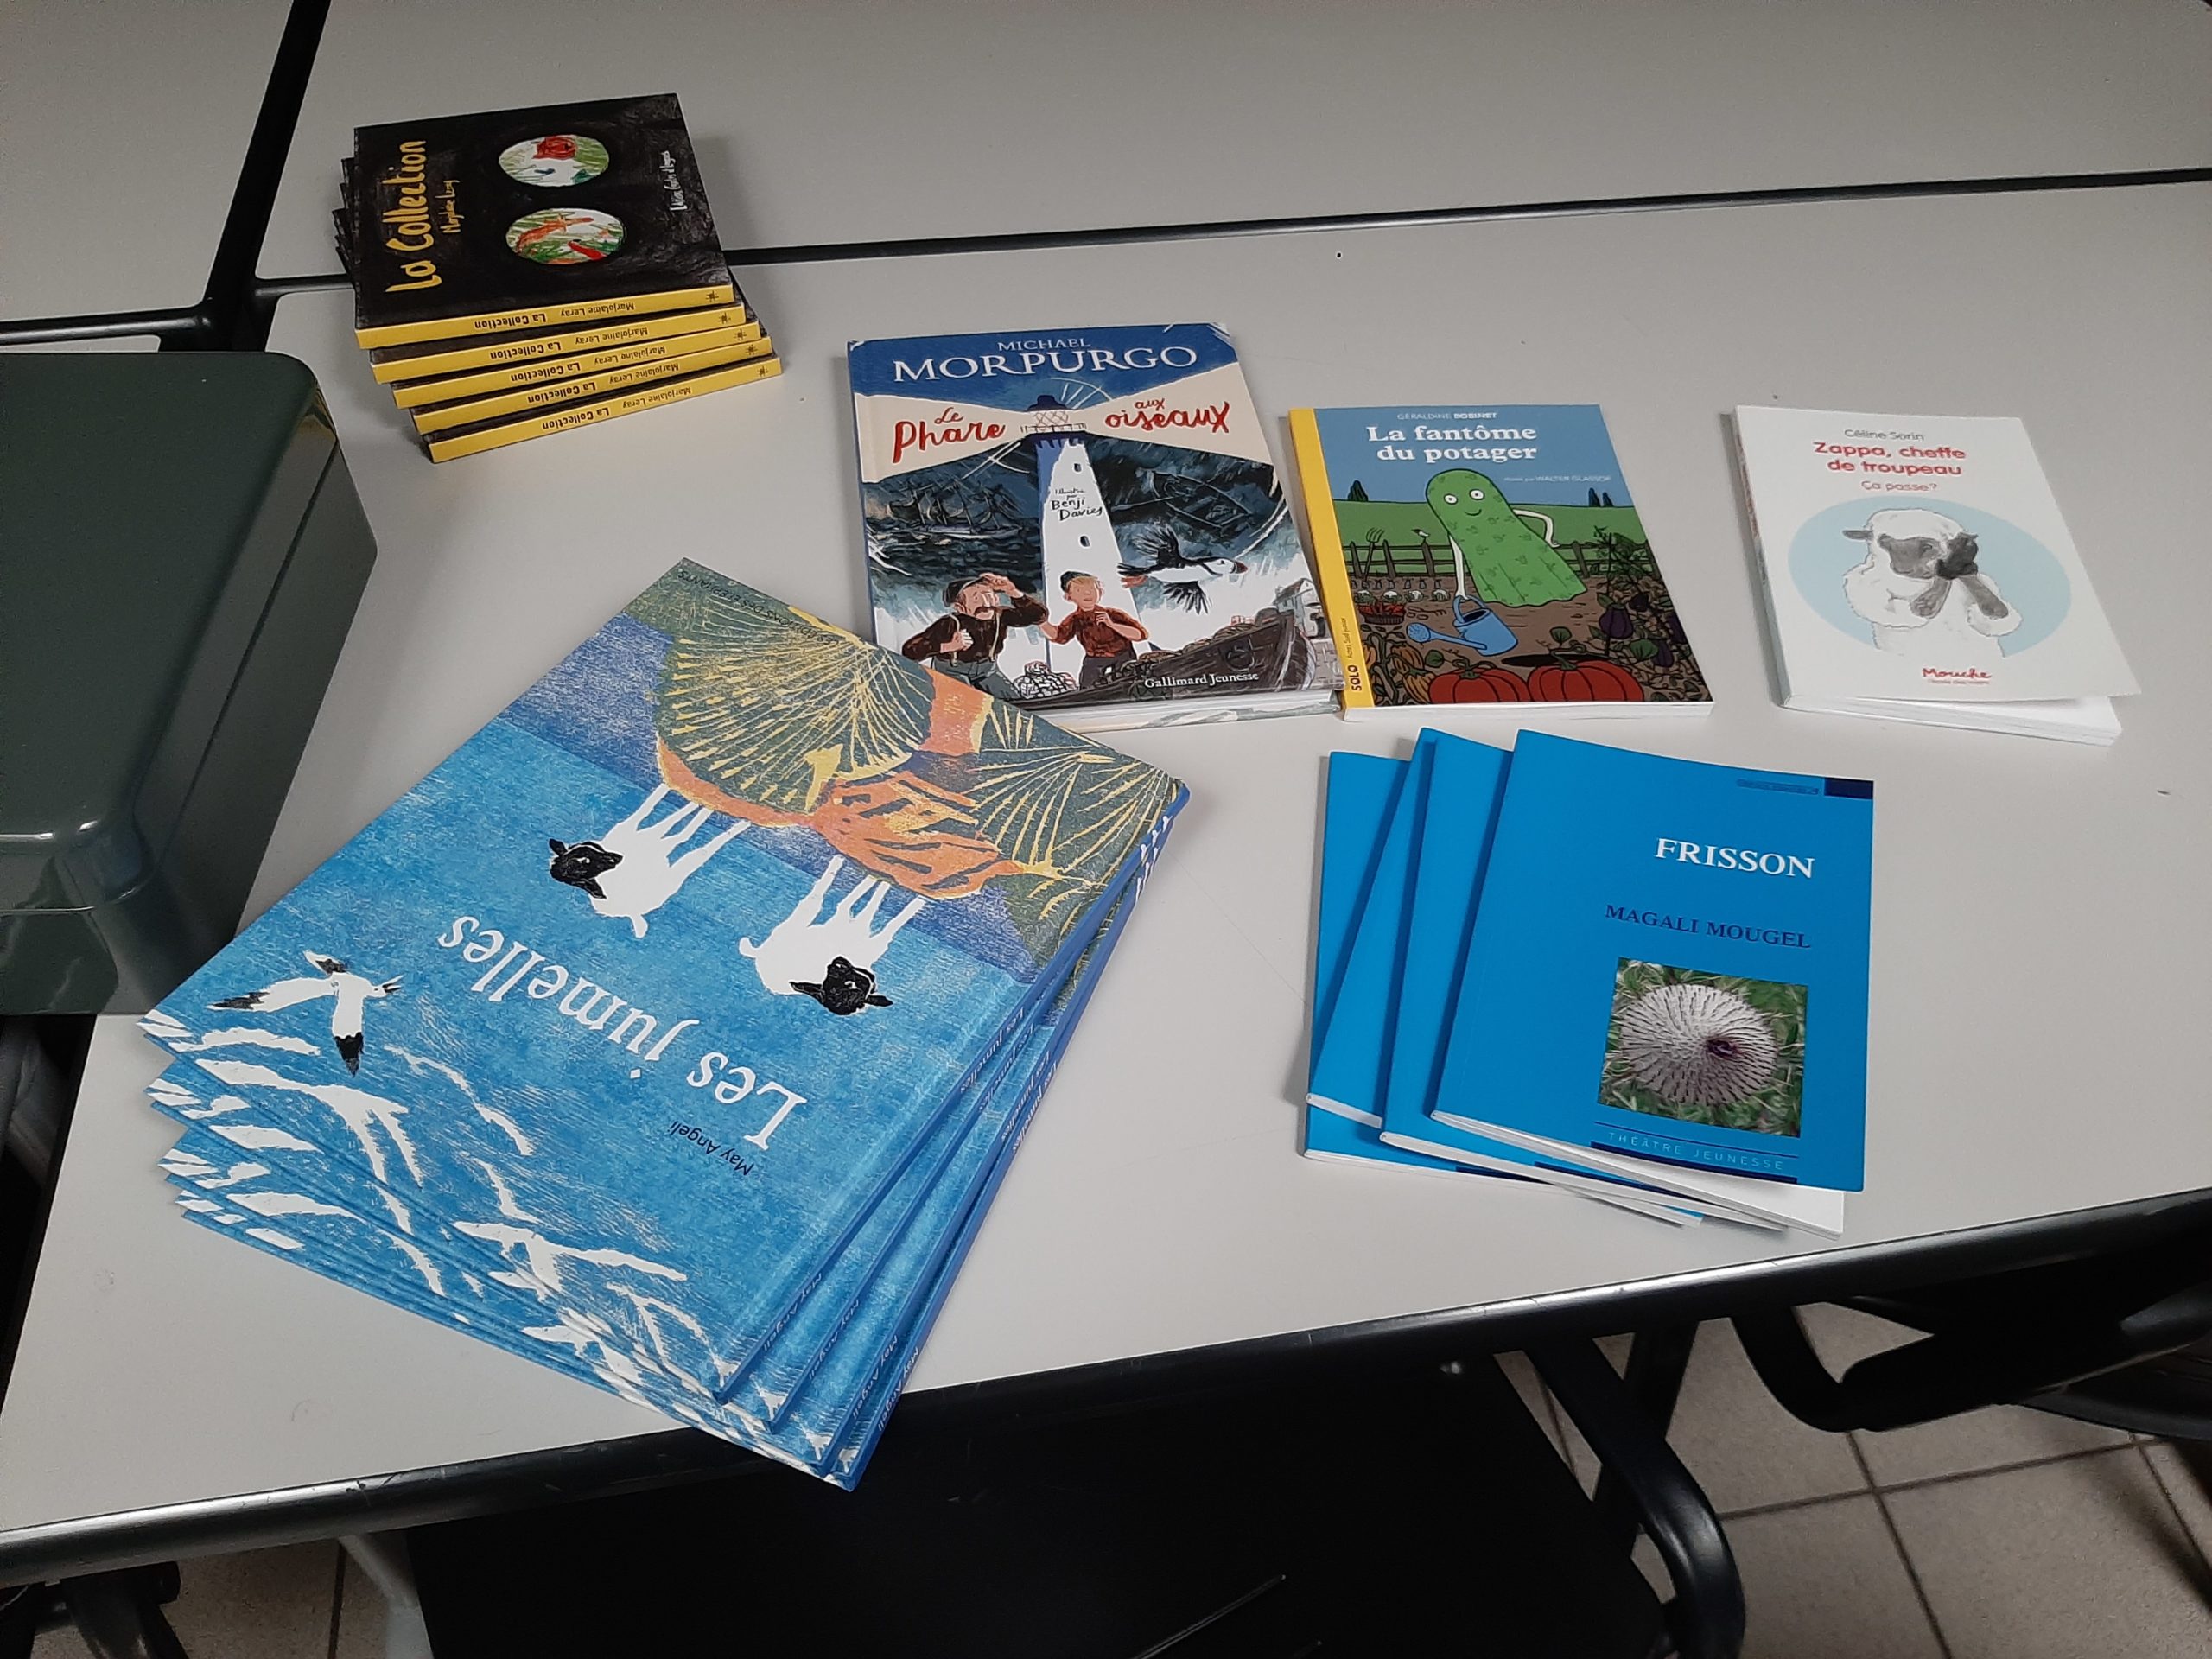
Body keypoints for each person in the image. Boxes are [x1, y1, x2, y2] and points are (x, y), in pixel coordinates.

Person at [899, 572, 1047, 701]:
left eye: (989, 595)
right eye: (977, 598)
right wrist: (948, 646)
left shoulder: (1001, 615)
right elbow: (910, 650)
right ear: (960, 607)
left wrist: (1012, 591)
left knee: (1015, 701)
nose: (986, 604)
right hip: (953, 671)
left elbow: (1039, 616)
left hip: (987, 671)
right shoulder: (949, 623)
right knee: (966, 704)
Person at [1040, 571, 1149, 689]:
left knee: (1128, 685)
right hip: (1094, 659)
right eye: (1079, 590)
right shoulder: (1075, 619)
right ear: (1068, 597)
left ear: (1100, 592)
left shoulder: (1113, 614)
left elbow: (1140, 635)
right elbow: (1059, 636)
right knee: (1087, 689)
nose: (1087, 593)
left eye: (1092, 589)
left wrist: (1112, 625)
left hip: (1123, 656)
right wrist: (1041, 622)